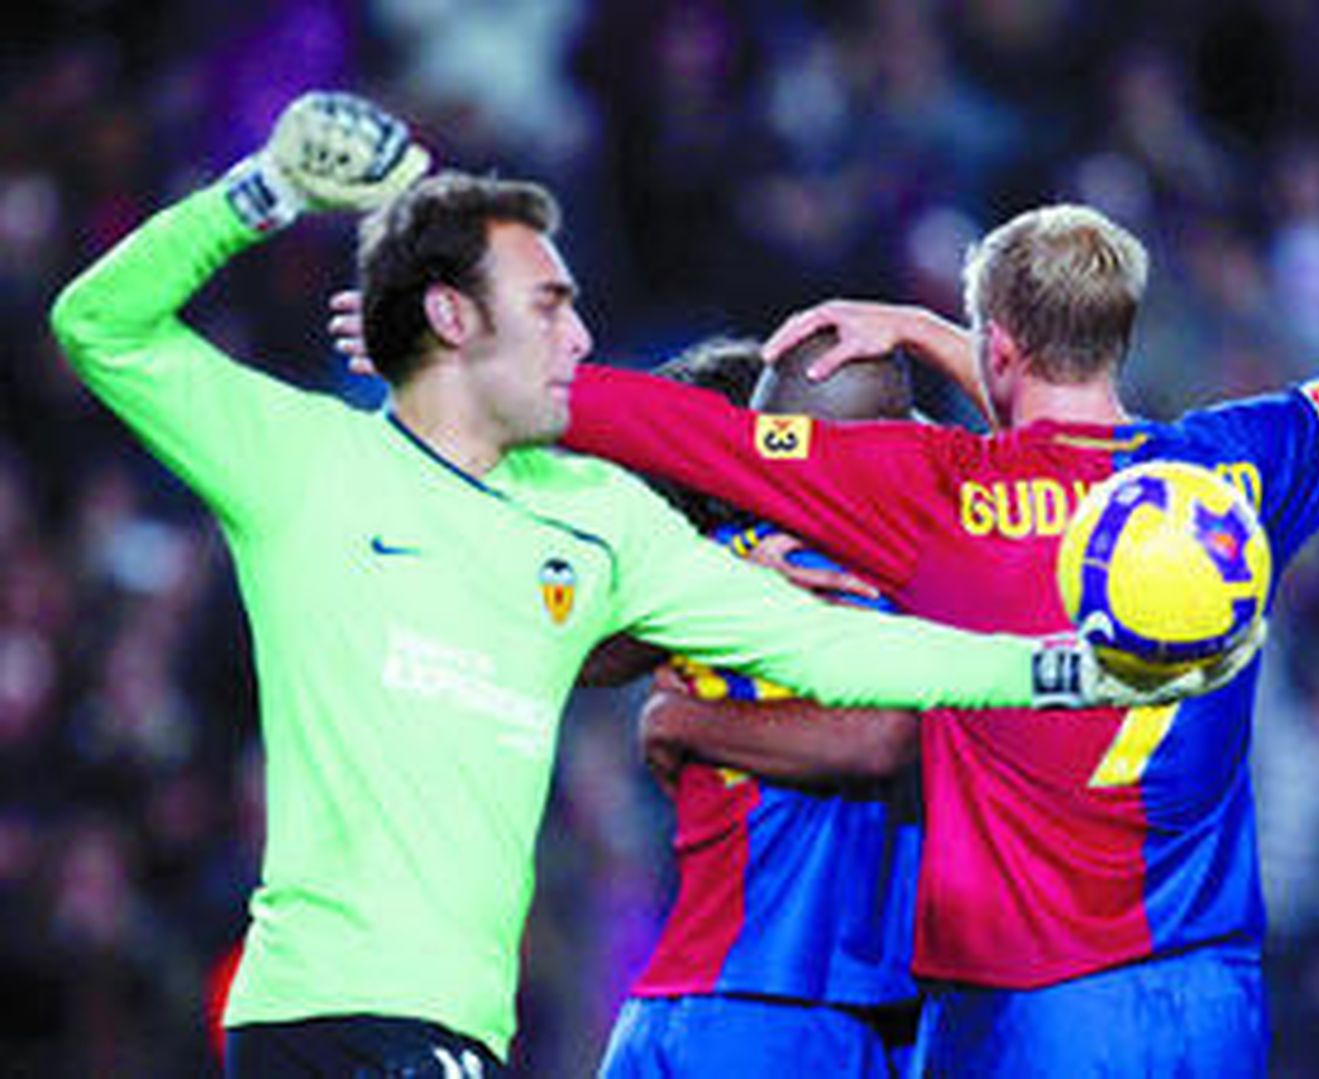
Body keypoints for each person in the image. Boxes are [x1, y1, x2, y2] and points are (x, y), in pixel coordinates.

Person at [49, 92, 1199, 1077]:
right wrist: (269, 199)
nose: (580, 335)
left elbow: (847, 684)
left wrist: (1052, 668)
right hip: (408, 1004)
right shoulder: (333, 468)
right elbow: (99, 326)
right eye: (552, 308)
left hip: (550, 1018)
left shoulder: (643, 533)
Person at [557, 203, 1319, 1074]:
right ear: (1118, 332)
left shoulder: (931, 492)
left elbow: (679, 427)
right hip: (1213, 998)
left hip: (1026, 1004)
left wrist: (492, 371)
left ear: (997, 351)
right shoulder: (1238, 469)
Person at [598, 334, 925, 1079]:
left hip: (671, 1008)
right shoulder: (875, 576)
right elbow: (880, 736)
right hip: (791, 1009)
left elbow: (570, 652)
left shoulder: (701, 573)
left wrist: (676, 716)